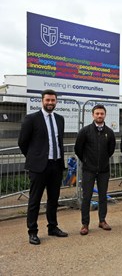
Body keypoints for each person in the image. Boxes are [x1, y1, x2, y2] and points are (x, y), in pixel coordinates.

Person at [18, 89, 68, 245]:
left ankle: (52, 227)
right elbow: (22, 142)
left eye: (53, 100)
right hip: (38, 167)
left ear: (56, 101)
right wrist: (34, 158)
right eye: (48, 100)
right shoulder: (31, 119)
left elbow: (58, 141)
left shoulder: (60, 119)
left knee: (53, 199)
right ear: (42, 101)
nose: (50, 103)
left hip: (56, 165)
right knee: (35, 200)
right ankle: (32, 231)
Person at [74, 104, 116, 235]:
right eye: (97, 113)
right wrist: (86, 160)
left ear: (105, 115)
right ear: (92, 115)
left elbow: (111, 150)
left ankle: (102, 220)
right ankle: (85, 224)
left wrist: (102, 160)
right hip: (89, 170)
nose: (99, 116)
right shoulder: (85, 131)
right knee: (87, 197)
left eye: (101, 113)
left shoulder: (109, 132)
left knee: (103, 196)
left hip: (103, 170)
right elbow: (78, 149)